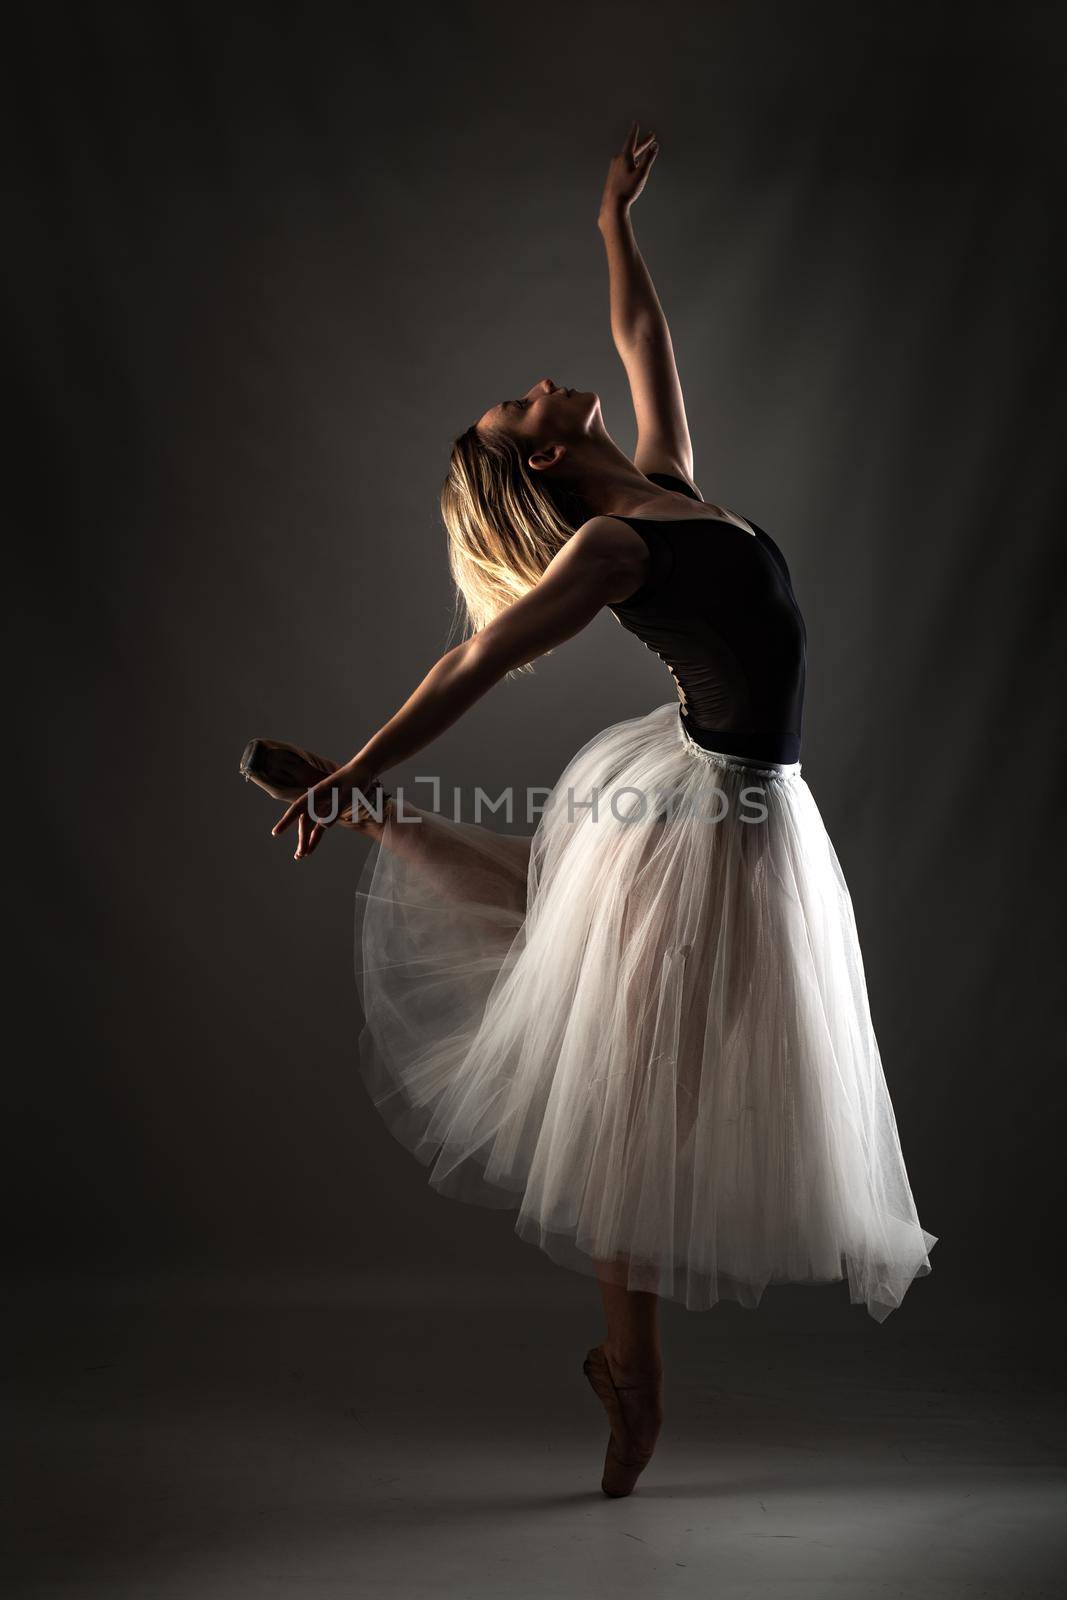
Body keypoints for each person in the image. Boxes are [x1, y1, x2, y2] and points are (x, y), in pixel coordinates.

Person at [263, 124, 937, 1498]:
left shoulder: (665, 487)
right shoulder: (611, 546)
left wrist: (610, 221)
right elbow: (478, 656)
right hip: (704, 813)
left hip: (739, 803)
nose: (538, 385)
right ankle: (634, 1380)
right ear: (538, 467)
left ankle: (628, 1375)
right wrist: (367, 762)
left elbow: (645, 338)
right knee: (624, 1073)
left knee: (589, 980)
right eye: (519, 406)